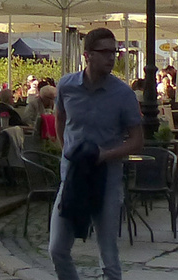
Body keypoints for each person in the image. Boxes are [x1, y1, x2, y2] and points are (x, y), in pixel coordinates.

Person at [49, 28, 144, 280]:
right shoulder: (67, 86)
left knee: (108, 255)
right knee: (57, 248)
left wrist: (107, 154)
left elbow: (137, 141)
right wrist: (66, 151)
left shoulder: (123, 94)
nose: (112, 58)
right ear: (87, 55)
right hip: (72, 176)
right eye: (105, 52)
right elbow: (60, 119)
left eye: (115, 52)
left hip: (107, 179)